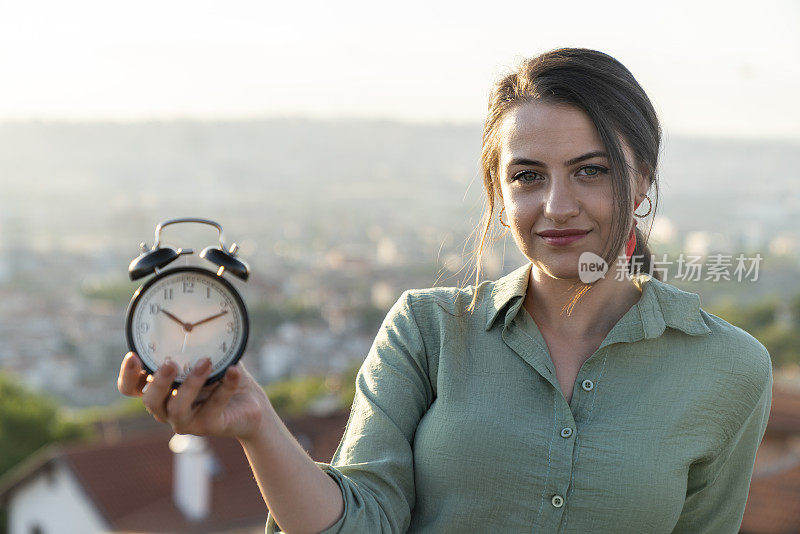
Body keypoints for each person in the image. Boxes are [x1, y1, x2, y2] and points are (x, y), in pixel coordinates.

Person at [118, 47, 773, 533]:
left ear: (645, 181)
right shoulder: (427, 331)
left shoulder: (728, 369)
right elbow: (361, 520)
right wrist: (258, 427)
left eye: (591, 171)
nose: (557, 205)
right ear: (498, 190)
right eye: (527, 176)